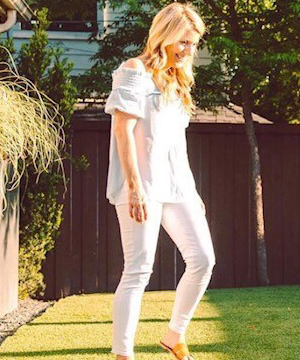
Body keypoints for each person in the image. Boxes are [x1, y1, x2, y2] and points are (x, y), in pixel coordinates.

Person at [103, 3, 214, 359]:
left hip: (177, 186)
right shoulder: (134, 71)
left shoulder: (178, 84)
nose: (187, 50)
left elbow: (175, 146)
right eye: (183, 41)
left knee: (203, 259)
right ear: (164, 35)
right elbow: (123, 129)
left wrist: (193, 192)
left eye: (192, 44)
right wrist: (134, 187)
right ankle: (123, 354)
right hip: (142, 187)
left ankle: (174, 335)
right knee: (138, 270)